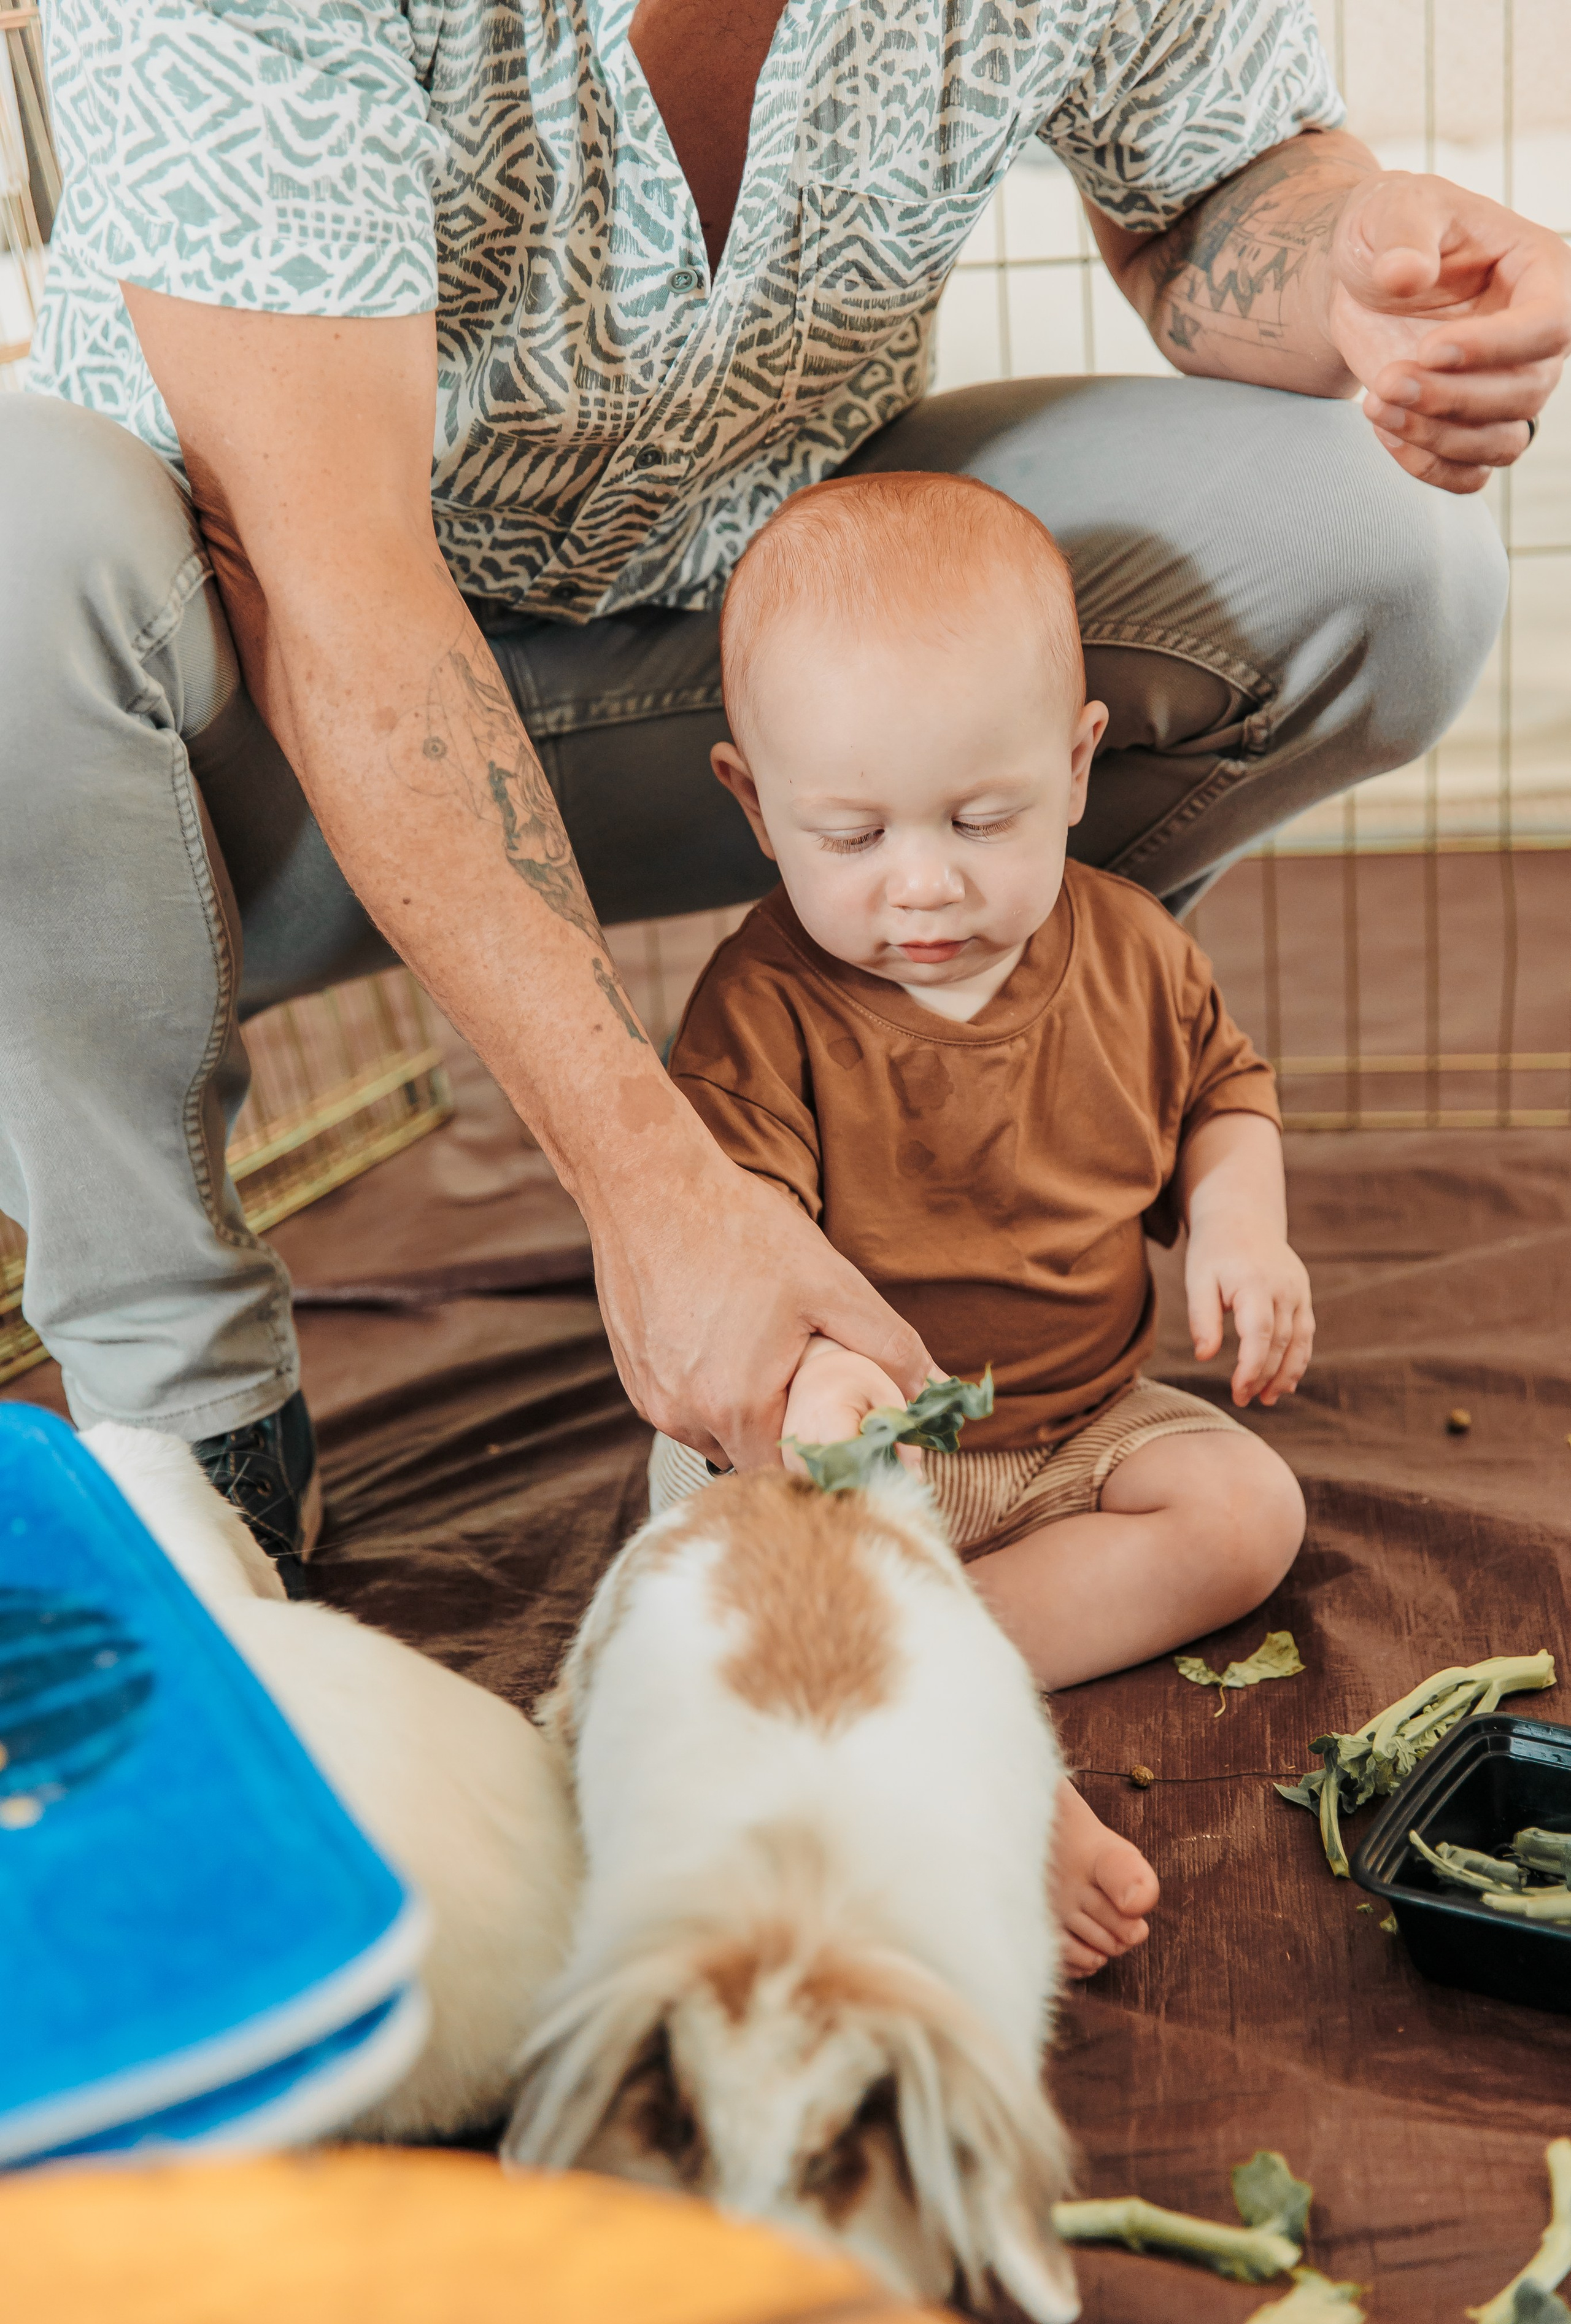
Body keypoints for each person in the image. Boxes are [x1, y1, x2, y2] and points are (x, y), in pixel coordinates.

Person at [1, 1, 1565, 1586]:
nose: (933, 876)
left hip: (739, 667)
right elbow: (329, 581)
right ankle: (184, 1396)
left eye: (979, 832)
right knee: (12, 536)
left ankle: (976, 1125)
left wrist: (1360, 260)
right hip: (228, 768)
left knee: (1389, 544)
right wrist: (650, 1193)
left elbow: (1214, 185)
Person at [650, 470, 1311, 1974]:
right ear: (753, 805)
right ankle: (960, 1736)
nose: (924, 883)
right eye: (850, 836)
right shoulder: (762, 1007)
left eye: (980, 817)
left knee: (1245, 1514)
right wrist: (825, 1412)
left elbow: (1221, 1092)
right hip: (859, 1450)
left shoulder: (1131, 951)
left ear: (1075, 767)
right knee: (725, 1577)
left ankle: (903, 1672)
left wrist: (1239, 1229)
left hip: (1080, 1424)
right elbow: (738, 1244)